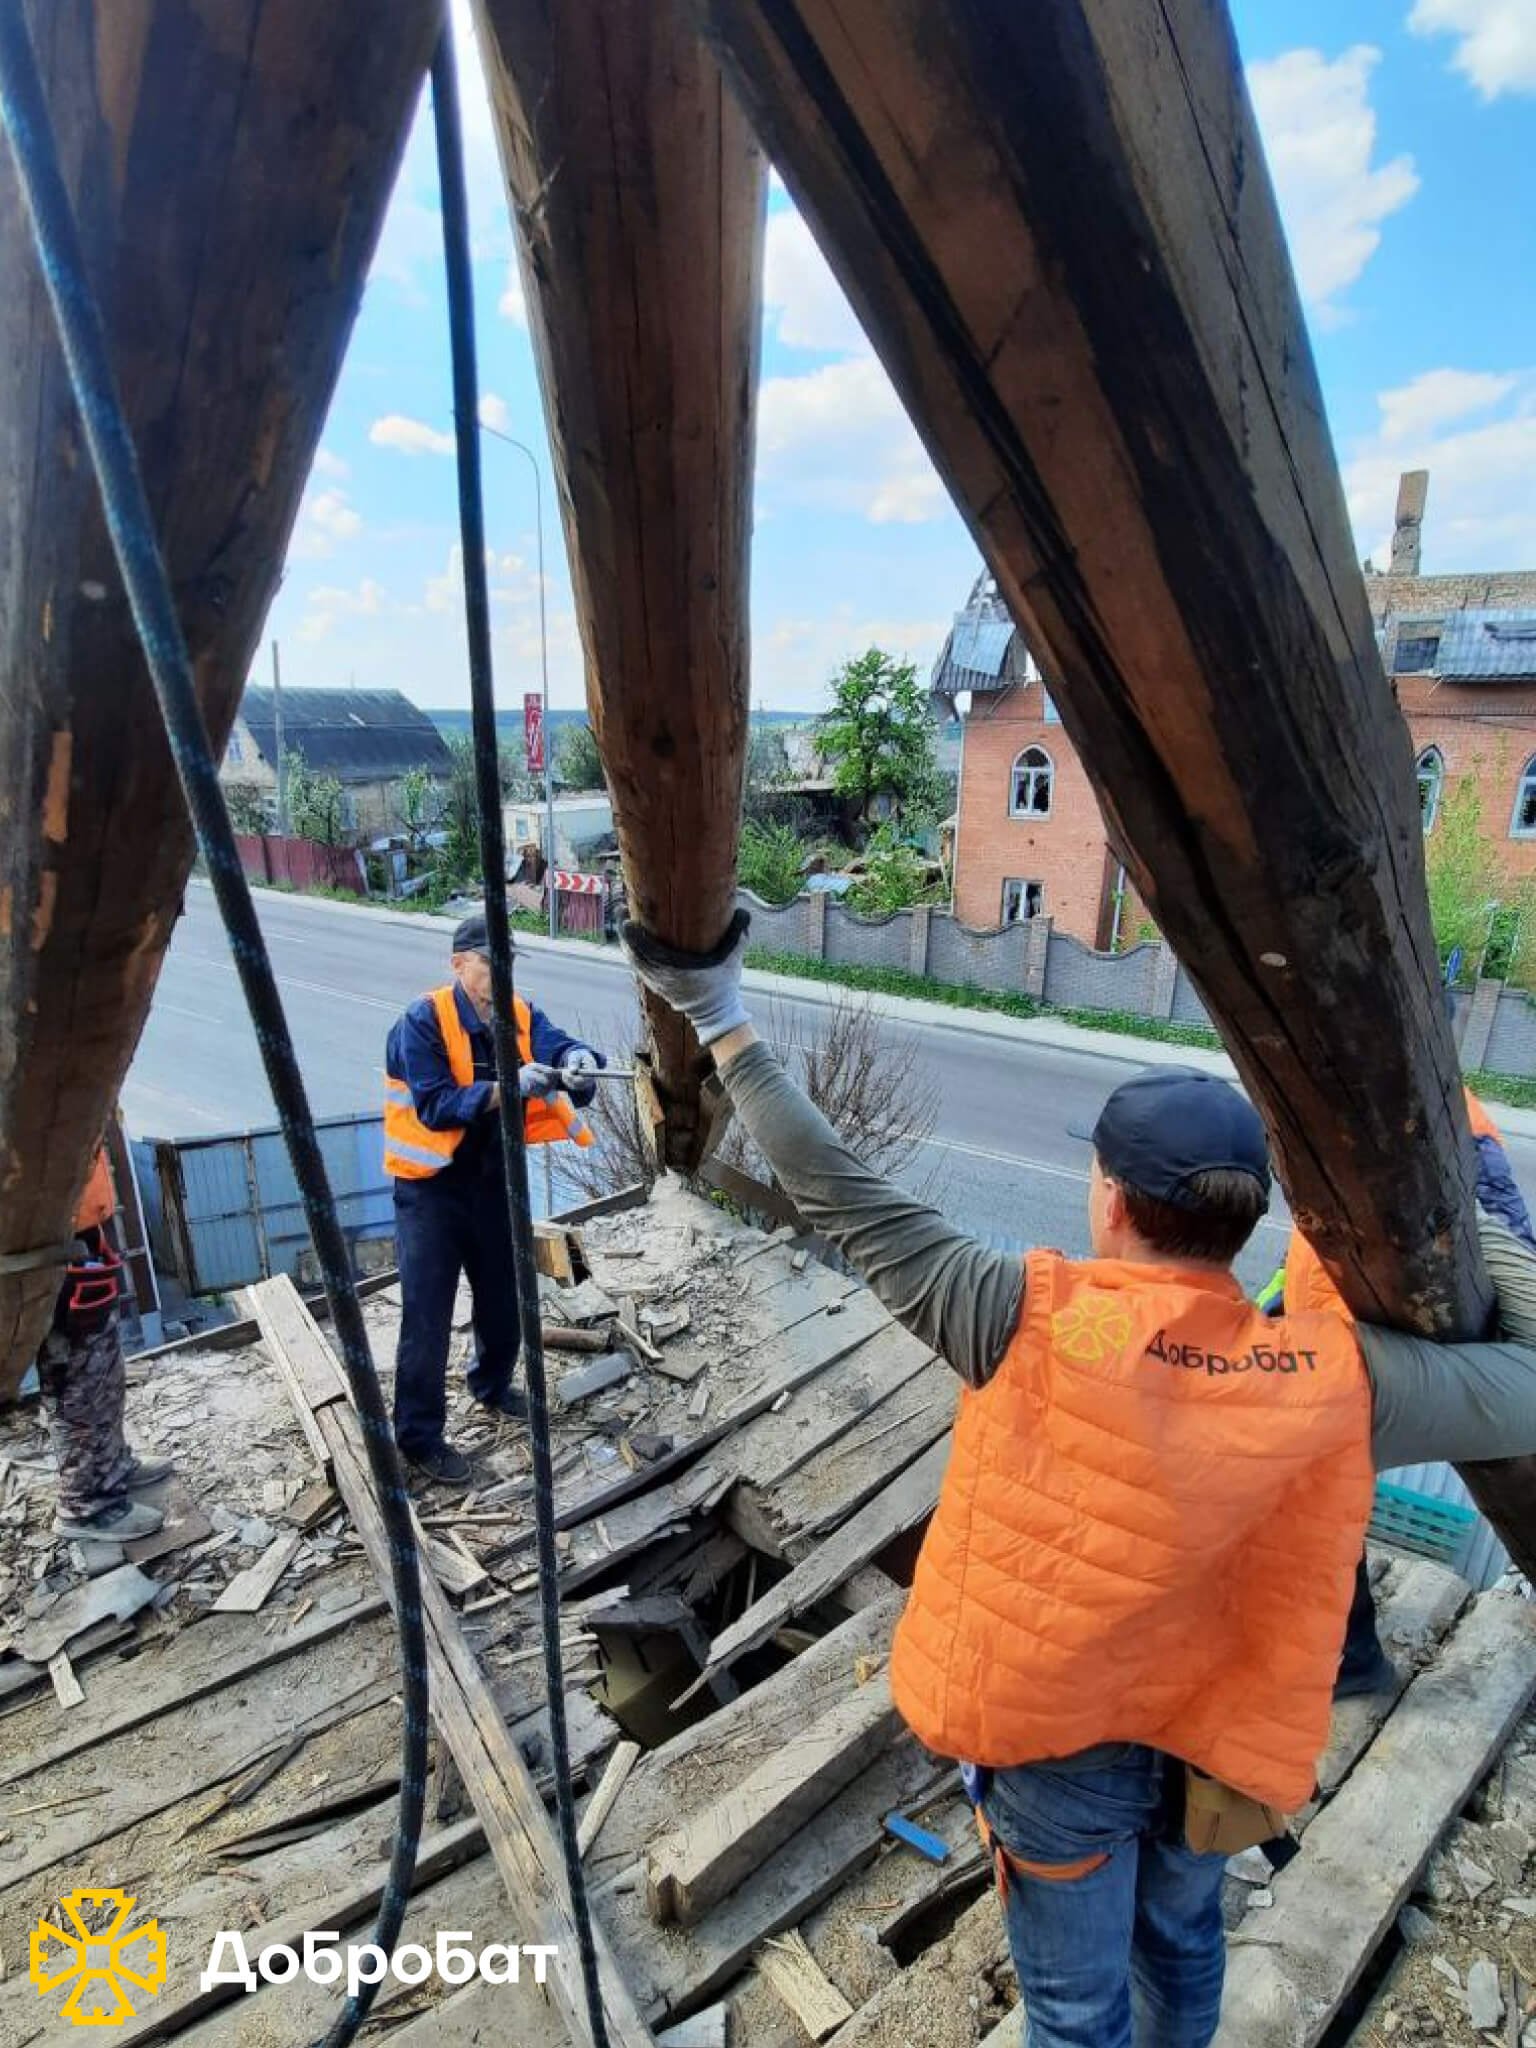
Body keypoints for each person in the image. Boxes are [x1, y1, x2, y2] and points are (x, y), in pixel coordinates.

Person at [624, 911, 1536, 2048]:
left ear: (1109, 1197)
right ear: (1246, 1225)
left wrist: (719, 1015)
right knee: (1186, 1945)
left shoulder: (1018, 1316)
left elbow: (834, 1188)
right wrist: (1463, 1188)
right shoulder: (1337, 1378)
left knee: (1071, 2007)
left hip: (1055, 1756)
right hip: (1214, 1749)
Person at [1261, 1081, 1536, 1698]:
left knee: (1303, 1466)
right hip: (1341, 1346)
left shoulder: (1434, 1137)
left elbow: (1503, 1245)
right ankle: (1343, 1650)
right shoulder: (1323, 1119)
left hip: (1387, 1367)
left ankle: (1347, 1655)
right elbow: (1305, 1252)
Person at [383, 912, 606, 1485]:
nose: (500, 973)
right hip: (430, 1191)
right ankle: (419, 1437)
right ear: (459, 964)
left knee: (505, 1295)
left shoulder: (519, 1013)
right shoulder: (423, 1021)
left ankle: (491, 1383)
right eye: (489, 961)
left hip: (494, 1181)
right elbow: (436, 1104)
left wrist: (580, 1061)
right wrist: (507, 1088)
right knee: (427, 1314)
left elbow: (556, 1046)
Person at [42, 1145, 173, 1543]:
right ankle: (87, 1505)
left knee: (103, 1377)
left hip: (75, 1229)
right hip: (44, 1245)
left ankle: (111, 1468)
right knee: (76, 1387)